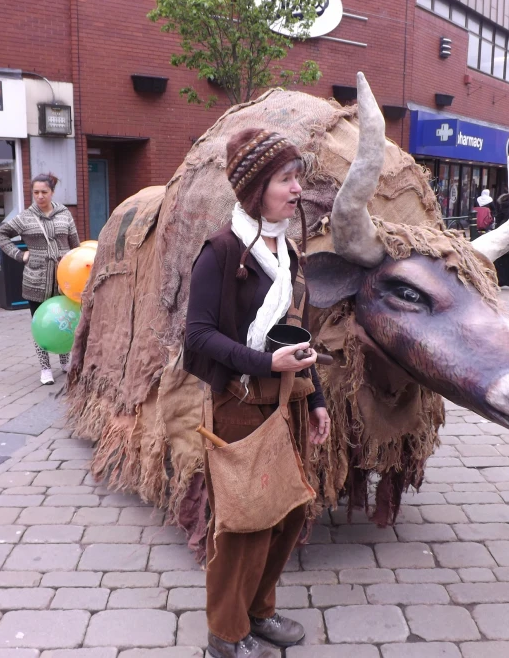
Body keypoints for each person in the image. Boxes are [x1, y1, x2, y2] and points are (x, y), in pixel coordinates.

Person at [184, 129, 330, 658]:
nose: (297, 190)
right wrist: (264, 363)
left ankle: (257, 613)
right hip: (240, 406)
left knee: (286, 514)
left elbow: (301, 329)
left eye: (297, 178)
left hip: (287, 402)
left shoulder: (286, 249)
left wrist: (315, 401)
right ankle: (225, 633)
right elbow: (198, 336)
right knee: (246, 522)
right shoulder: (221, 252)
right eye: (286, 180)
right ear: (254, 189)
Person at [0, 173, 80, 385]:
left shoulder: (64, 214)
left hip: (64, 279)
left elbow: (75, 243)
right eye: (36, 192)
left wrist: (77, 264)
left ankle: (64, 362)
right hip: (36, 280)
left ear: (52, 192)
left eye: (44, 192)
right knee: (40, 323)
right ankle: (45, 368)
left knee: (65, 321)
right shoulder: (25, 217)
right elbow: (0, 235)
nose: (40, 196)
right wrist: (19, 254)